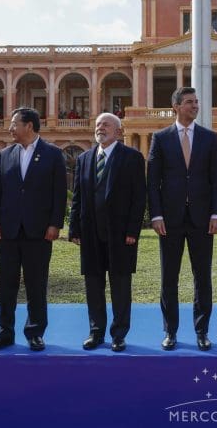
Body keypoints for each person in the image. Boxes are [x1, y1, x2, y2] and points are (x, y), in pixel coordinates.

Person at [0, 107, 67, 352]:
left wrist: (55, 224)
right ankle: (4, 332)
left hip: (39, 231)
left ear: (28, 126)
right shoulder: (5, 154)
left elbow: (59, 193)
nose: (9, 128)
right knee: (7, 284)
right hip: (8, 230)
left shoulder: (52, 154)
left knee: (36, 284)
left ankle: (35, 332)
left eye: (13, 124)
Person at [147, 87, 217, 351]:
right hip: (170, 220)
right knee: (169, 277)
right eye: (190, 102)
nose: (195, 106)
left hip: (203, 220)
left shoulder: (209, 138)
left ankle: (202, 331)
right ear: (176, 107)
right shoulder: (160, 138)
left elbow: (216, 180)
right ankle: (170, 332)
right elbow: (153, 181)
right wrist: (155, 215)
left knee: (203, 277)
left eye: (196, 101)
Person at [69, 113, 146, 352]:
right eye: (98, 124)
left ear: (119, 131)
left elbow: (138, 197)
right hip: (90, 232)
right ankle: (96, 332)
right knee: (93, 285)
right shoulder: (84, 158)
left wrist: (133, 229)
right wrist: (74, 228)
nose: (100, 128)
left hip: (121, 233)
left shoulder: (132, 158)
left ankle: (119, 333)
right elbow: (78, 197)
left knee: (120, 285)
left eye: (106, 124)